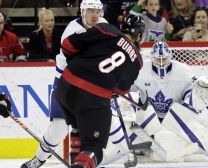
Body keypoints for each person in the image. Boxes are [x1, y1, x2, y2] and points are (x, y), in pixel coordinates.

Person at [20, 0, 128, 168]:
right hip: (67, 82)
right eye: (90, 11)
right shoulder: (72, 32)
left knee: (106, 119)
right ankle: (39, 159)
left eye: (97, 11)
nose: (94, 15)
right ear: (82, 12)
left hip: (91, 80)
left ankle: (128, 153)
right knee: (59, 126)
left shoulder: (105, 26)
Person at [126, 41, 208, 166]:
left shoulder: (182, 70)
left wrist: (189, 106)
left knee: (198, 132)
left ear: (170, 57)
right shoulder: (141, 69)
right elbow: (129, 90)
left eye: (164, 58)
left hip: (175, 115)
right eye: (158, 59)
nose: (161, 62)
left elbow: (192, 91)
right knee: (127, 121)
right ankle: (121, 152)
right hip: (148, 113)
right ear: (152, 58)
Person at [55, 13, 145, 168]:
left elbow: (67, 45)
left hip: (65, 87)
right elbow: (121, 90)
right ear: (139, 35)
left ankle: (77, 160)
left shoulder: (106, 29)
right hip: (93, 98)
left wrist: (80, 62)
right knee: (94, 147)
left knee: (78, 126)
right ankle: (82, 164)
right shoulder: (137, 61)